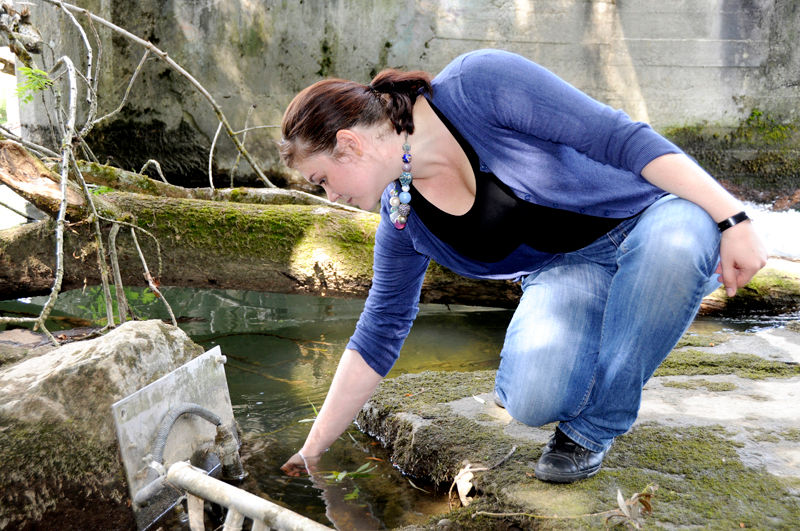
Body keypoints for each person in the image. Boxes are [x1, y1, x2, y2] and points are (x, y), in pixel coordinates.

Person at [278, 49, 767, 484]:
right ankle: (616, 330)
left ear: (350, 143)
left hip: (654, 217)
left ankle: (592, 430)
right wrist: (312, 449)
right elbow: (379, 331)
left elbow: (621, 138)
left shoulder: (479, 85)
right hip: (572, 269)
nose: (330, 195)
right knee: (532, 402)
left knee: (677, 248)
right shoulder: (402, 217)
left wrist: (733, 218)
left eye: (321, 179)